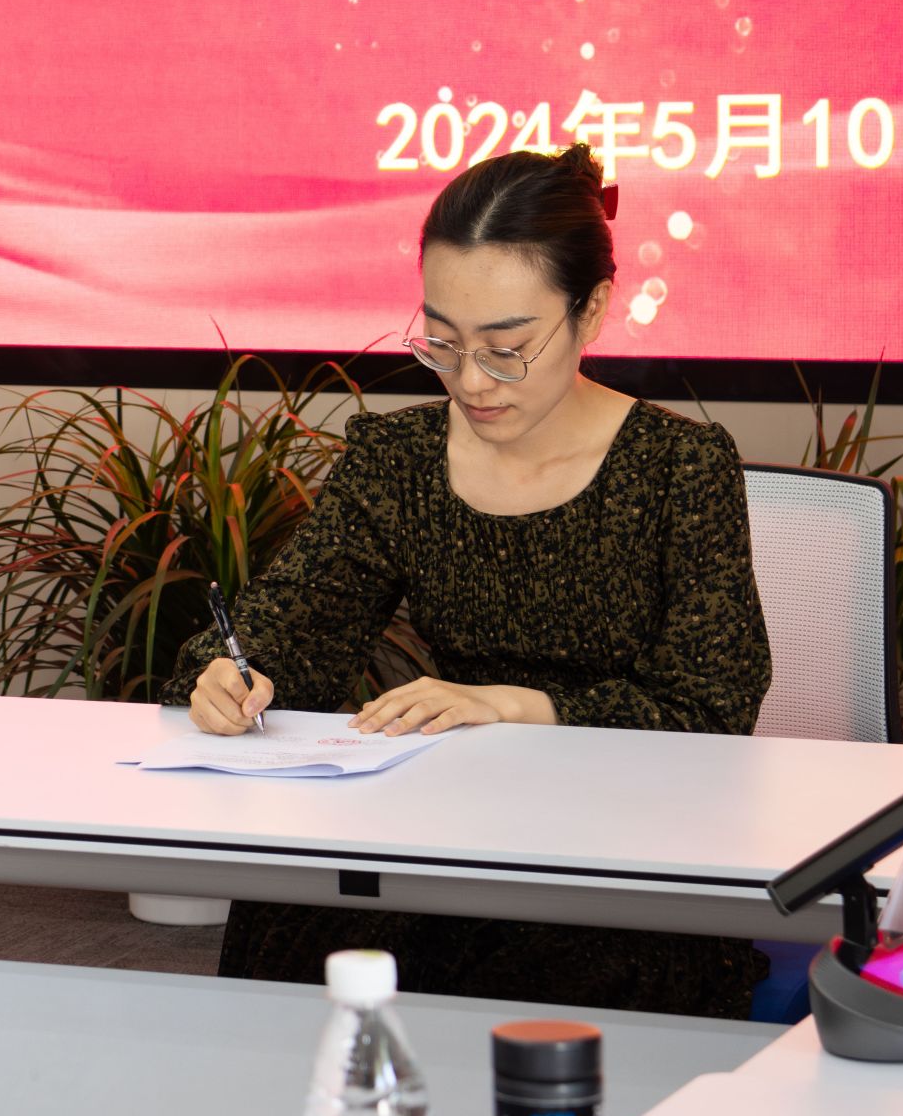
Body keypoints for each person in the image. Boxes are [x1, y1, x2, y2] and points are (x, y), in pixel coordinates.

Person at [169, 143, 773, 1019]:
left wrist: (515, 704)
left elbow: (710, 711)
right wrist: (235, 674)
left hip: (625, 846)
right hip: (446, 827)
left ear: (593, 310)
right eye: (443, 343)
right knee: (296, 925)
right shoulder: (401, 458)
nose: (471, 382)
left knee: (544, 972)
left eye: (507, 348)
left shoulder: (680, 468)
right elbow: (291, 628)